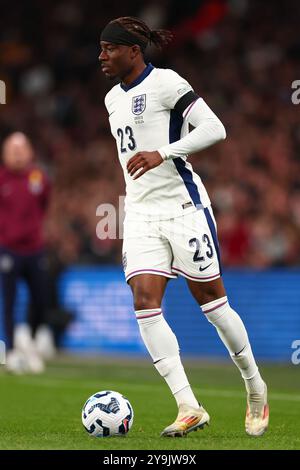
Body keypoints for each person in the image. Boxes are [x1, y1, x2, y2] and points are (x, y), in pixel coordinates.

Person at [99, 16, 269, 437]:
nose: (101, 56)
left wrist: (165, 152)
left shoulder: (168, 83)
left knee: (213, 304)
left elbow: (216, 128)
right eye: (100, 49)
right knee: (144, 302)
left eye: (109, 48)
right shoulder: (110, 100)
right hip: (139, 213)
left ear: (133, 51)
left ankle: (255, 386)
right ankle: (188, 405)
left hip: (183, 208)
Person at [0, 132, 52, 373]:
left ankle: (29, 340)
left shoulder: (39, 177)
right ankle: (10, 351)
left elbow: (44, 205)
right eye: (13, 149)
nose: (18, 153)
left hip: (35, 248)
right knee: (8, 302)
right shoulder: (1, 179)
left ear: (30, 152)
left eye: (22, 148)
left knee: (41, 298)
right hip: (7, 249)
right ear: (5, 153)